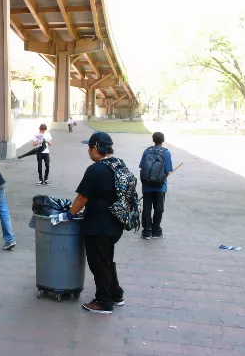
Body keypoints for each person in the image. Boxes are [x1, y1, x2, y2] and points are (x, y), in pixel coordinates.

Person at [50, 132, 124, 314]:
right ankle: (116, 293)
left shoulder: (96, 169)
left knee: (99, 264)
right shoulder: (119, 164)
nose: (88, 151)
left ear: (97, 148)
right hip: (115, 224)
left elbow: (82, 198)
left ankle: (104, 302)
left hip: (99, 226)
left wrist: (67, 216)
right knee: (106, 260)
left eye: (90, 147)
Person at [139, 132, 173, 240]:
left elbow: (142, 166)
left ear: (153, 139)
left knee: (147, 208)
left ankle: (146, 231)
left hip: (147, 185)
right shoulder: (166, 153)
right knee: (159, 209)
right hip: (160, 186)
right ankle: (156, 231)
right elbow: (168, 170)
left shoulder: (147, 151)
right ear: (163, 140)